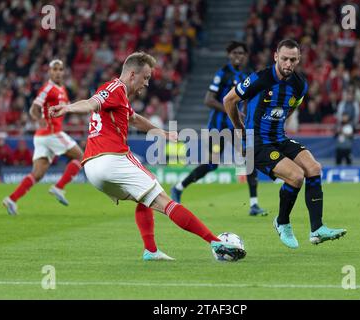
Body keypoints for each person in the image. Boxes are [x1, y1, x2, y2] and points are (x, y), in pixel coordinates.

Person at [50, 52, 246, 262]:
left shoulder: (121, 96)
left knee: (144, 199)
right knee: (165, 201)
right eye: (145, 78)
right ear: (132, 74)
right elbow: (91, 103)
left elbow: (134, 119)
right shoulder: (113, 88)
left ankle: (150, 251)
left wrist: (161, 133)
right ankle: (216, 242)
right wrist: (68, 108)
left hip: (92, 168)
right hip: (112, 158)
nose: (146, 83)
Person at [223, 39, 346, 248]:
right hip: (257, 144)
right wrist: (239, 127)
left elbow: (292, 107)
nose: (288, 63)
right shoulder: (260, 79)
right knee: (297, 176)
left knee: (314, 168)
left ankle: (317, 229)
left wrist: (278, 123)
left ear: (298, 60)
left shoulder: (299, 85)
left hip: (279, 138)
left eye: (293, 60)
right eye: (285, 59)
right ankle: (282, 222)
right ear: (276, 57)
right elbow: (228, 100)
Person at [171, 41, 267, 216]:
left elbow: (248, 99)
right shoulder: (222, 74)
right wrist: (232, 110)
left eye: (242, 53)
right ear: (229, 55)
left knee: (250, 159)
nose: (238, 56)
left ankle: (254, 204)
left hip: (237, 127)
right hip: (219, 126)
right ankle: (178, 188)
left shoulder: (247, 75)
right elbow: (208, 99)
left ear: (246, 56)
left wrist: (245, 115)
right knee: (211, 164)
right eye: (235, 53)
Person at [2, 60, 84, 215]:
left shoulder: (62, 89)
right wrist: (38, 119)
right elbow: (34, 108)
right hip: (52, 133)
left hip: (41, 137)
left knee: (38, 174)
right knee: (82, 157)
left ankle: (11, 199)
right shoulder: (48, 88)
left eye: (61, 69)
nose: (58, 72)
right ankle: (59, 187)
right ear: (50, 72)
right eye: (55, 69)